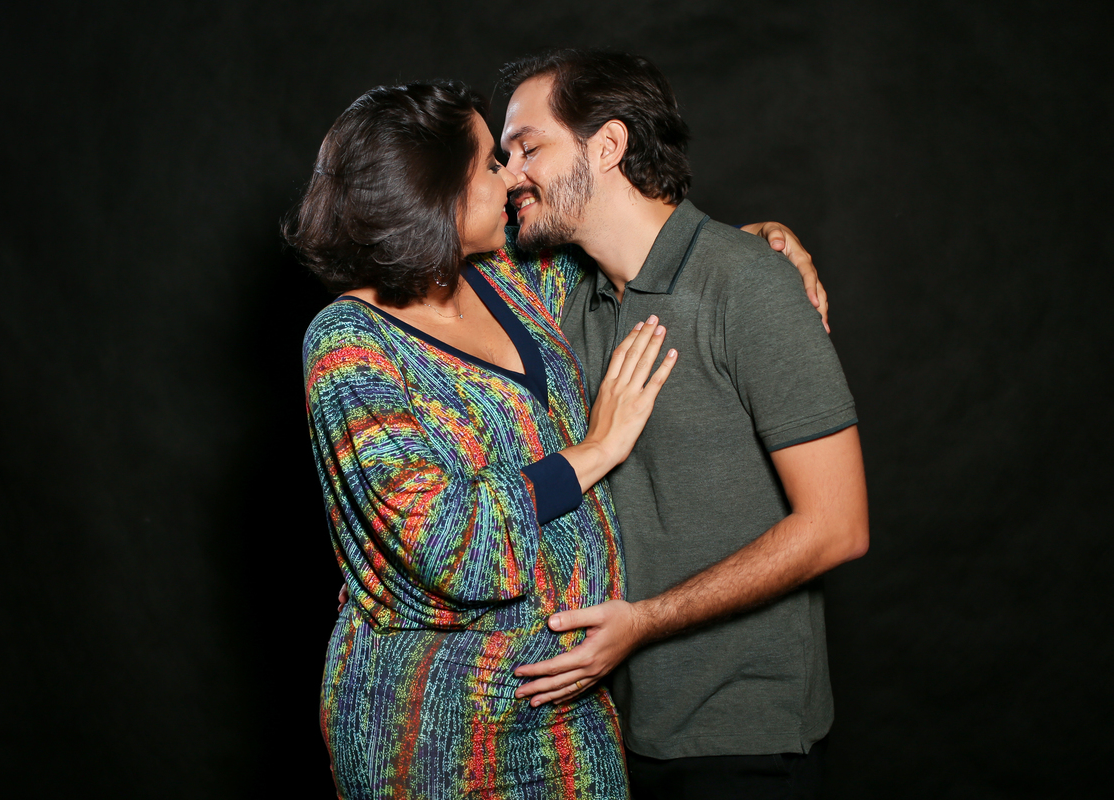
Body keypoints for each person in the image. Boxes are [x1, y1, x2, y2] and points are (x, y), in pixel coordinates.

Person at [289, 80, 679, 799]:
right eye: (489, 167)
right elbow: (446, 539)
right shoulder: (348, 343)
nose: (512, 177)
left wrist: (754, 250)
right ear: (433, 193)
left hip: (565, 698)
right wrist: (595, 449)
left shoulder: (510, 279)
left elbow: (642, 256)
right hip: (430, 721)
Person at [495, 50, 869, 799]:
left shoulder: (749, 284)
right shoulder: (569, 297)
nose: (508, 174)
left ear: (607, 147)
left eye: (528, 148)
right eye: (503, 157)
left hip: (743, 742)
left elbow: (838, 526)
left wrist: (646, 622)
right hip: (617, 737)